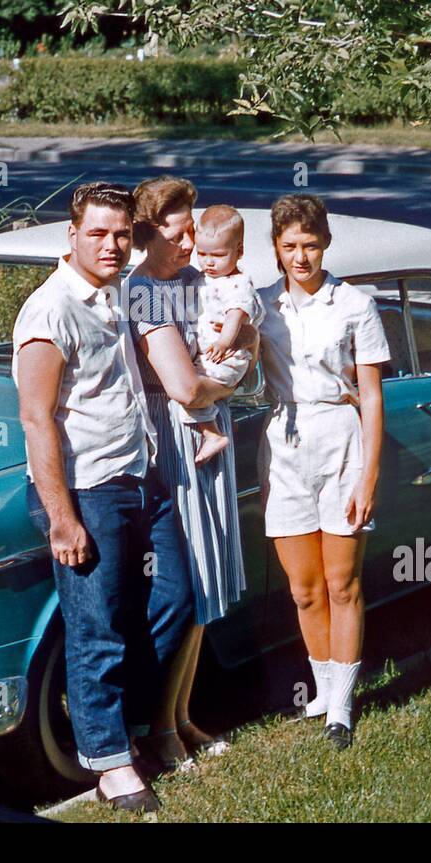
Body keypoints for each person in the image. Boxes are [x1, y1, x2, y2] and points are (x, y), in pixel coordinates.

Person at [13, 181, 193, 814]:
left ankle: (135, 728)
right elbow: (37, 420)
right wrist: (61, 517)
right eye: (98, 233)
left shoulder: (120, 294)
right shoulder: (50, 310)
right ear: (72, 235)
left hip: (141, 479)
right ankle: (110, 765)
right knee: (97, 631)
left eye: (122, 234)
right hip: (86, 492)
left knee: (176, 599)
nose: (113, 245)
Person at [124, 176, 252, 770]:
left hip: (208, 429)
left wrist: (231, 367)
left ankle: (180, 716)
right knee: (189, 582)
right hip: (176, 438)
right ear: (149, 234)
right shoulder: (145, 293)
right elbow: (181, 385)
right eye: (178, 234)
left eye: (192, 230)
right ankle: (158, 728)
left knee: (206, 580)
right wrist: (228, 382)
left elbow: (245, 330)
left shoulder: (199, 281)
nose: (189, 243)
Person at [256, 194, 390, 749]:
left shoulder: (355, 304)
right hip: (284, 446)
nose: (301, 256)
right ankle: (321, 689)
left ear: (326, 243)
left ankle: (342, 706)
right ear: (277, 250)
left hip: (341, 442)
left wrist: (369, 476)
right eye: (290, 246)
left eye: (310, 244)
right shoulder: (262, 306)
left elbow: (372, 396)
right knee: (306, 590)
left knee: (342, 583)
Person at [172, 204, 264, 466]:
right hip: (208, 356)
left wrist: (225, 341)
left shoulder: (238, 284)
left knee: (190, 389)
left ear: (239, 251)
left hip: (226, 357)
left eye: (219, 255)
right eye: (202, 254)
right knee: (189, 384)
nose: (209, 262)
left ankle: (212, 434)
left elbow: (236, 314)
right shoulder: (201, 278)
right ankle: (212, 431)